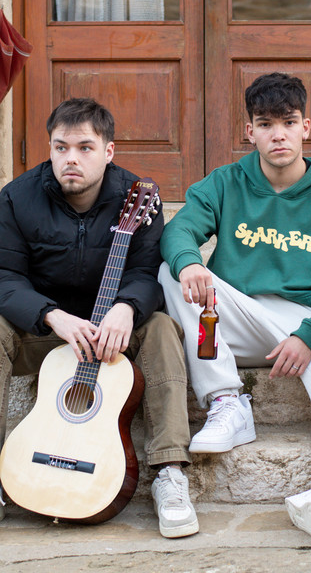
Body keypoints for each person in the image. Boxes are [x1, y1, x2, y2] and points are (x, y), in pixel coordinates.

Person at [159, 72, 311, 541]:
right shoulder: (226, 182)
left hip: (303, 321)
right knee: (170, 272)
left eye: (288, 122)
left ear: (306, 127)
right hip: (232, 318)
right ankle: (226, 401)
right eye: (266, 124)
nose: (278, 134)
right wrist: (189, 262)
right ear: (250, 131)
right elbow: (179, 230)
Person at [0, 98, 197, 538]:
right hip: (47, 332)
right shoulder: (16, 198)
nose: (71, 159)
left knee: (162, 328)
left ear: (109, 151)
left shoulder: (138, 198)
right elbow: (4, 276)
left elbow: (148, 271)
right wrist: (51, 315)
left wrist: (126, 307)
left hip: (112, 334)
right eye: (61, 147)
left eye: (85, 147)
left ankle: (168, 471)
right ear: (50, 149)